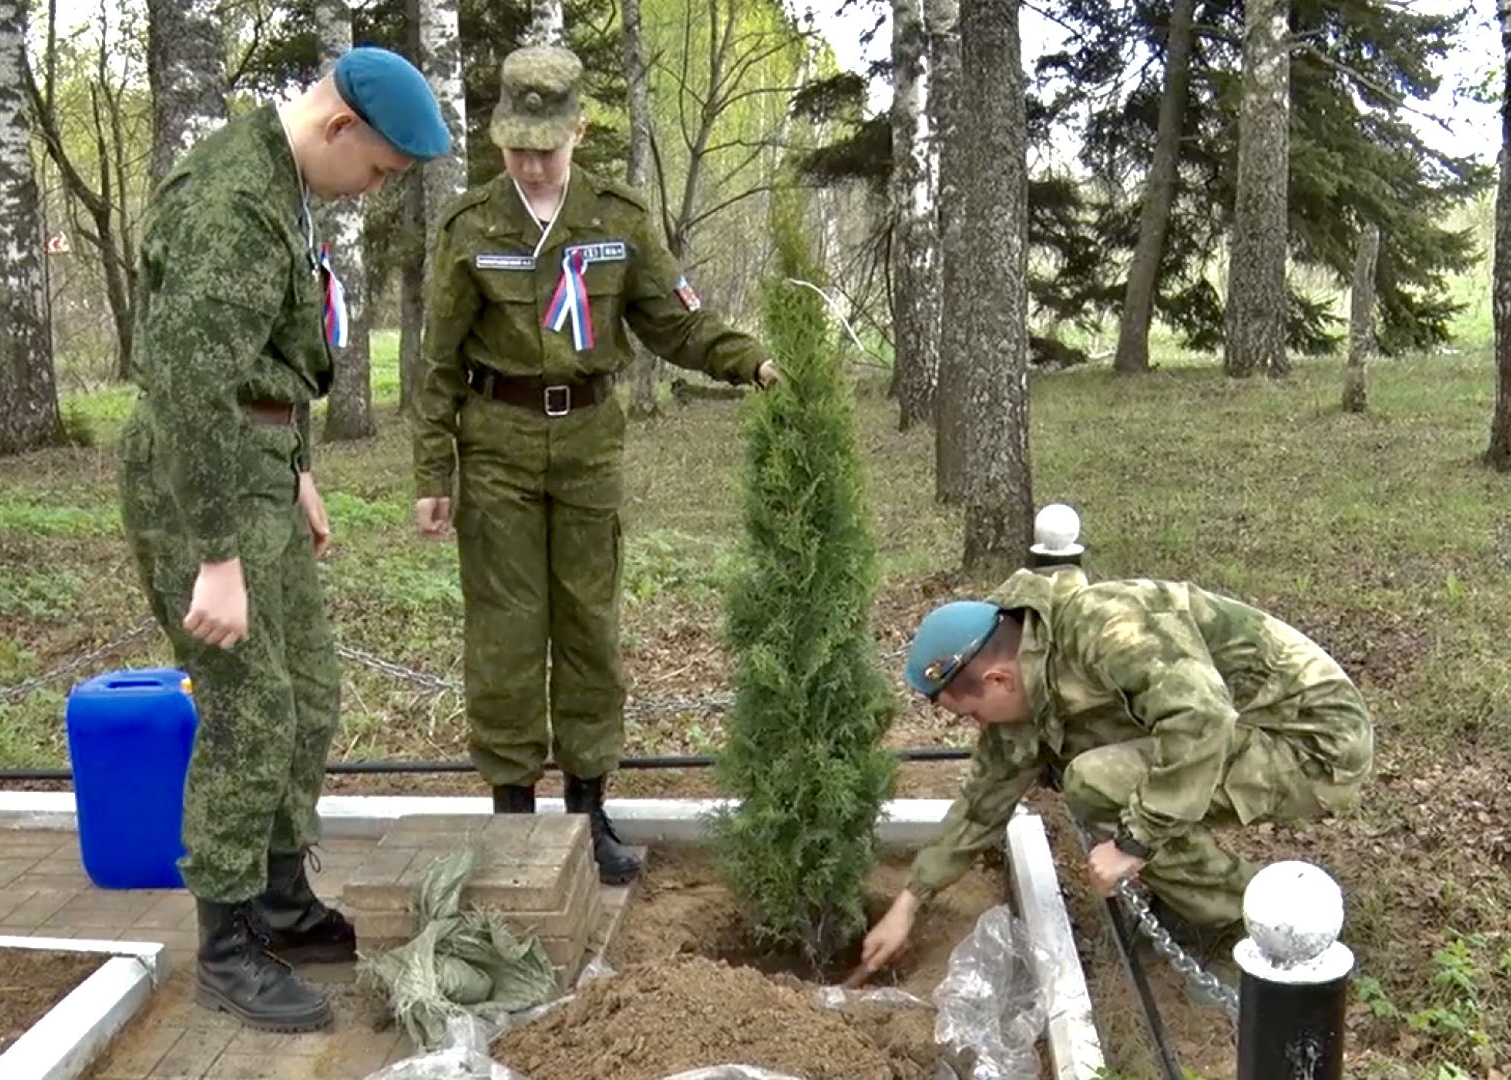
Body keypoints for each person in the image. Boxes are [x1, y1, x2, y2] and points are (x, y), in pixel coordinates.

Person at [120, 48, 450, 1032]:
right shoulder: (233, 201)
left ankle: (275, 898)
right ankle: (225, 947)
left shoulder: (286, 183)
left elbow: (264, 352)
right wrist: (216, 556)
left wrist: (297, 467)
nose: (375, 190)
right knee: (249, 711)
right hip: (201, 479)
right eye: (382, 170)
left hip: (257, 461)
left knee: (305, 693)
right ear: (341, 126)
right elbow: (186, 387)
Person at [412, 44, 778, 886]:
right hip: (496, 444)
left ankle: (587, 805)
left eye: (546, 145)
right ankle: (512, 811)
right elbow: (435, 363)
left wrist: (751, 361)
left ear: (579, 130)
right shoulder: (471, 227)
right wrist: (435, 474)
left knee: (588, 625)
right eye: (516, 147)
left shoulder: (617, 219)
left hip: (586, 445)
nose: (532, 163)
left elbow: (675, 323)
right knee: (504, 632)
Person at [859, 565, 1375, 974]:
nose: (977, 726)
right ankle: (1192, 895)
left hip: (1310, 738)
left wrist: (1134, 844)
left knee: (1095, 781)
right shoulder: (1032, 663)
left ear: (998, 679)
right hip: (1238, 727)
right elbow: (983, 802)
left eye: (971, 713)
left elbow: (1202, 718)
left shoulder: (1106, 625)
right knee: (1089, 773)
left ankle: (1251, 926)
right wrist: (909, 902)